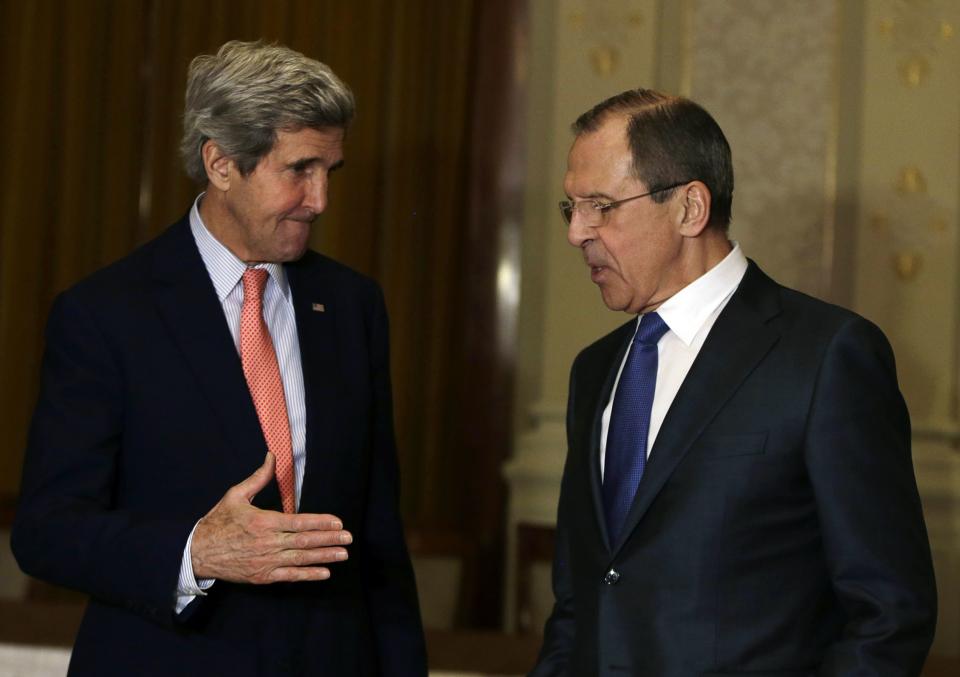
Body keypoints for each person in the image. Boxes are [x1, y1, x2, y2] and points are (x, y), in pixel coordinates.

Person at [12, 40, 427, 676]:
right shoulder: (106, 314)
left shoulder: (351, 306)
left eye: (330, 172)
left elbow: (379, 538)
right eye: (299, 169)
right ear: (221, 163)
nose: (320, 200)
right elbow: (47, 532)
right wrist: (196, 551)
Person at [530, 89, 937, 676]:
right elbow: (580, 599)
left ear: (690, 208)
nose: (577, 234)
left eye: (601, 206)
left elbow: (888, 614)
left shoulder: (827, 356)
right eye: (572, 208)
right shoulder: (594, 369)